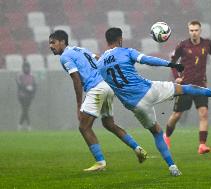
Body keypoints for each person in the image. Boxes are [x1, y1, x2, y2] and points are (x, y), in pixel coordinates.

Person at [96, 27, 211, 176]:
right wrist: (171, 64)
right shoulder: (126, 51)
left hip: (136, 105)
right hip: (149, 89)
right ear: (120, 39)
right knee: (185, 88)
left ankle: (173, 167)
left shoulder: (100, 65)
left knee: (157, 133)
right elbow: (147, 60)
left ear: (107, 41)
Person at [49, 30, 147, 172]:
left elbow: (76, 79)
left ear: (62, 41)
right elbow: (98, 58)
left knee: (84, 127)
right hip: (107, 85)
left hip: (96, 88)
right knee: (109, 124)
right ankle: (137, 148)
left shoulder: (65, 57)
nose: (50, 46)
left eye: (53, 42)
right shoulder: (80, 49)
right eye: (50, 43)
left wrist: (78, 105)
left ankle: (100, 163)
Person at [164, 20, 211, 154]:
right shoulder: (182, 45)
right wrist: (176, 75)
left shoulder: (207, 44)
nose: (194, 32)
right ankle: (166, 136)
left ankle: (202, 145)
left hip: (201, 85)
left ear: (200, 31)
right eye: (191, 30)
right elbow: (172, 62)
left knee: (203, 113)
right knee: (177, 115)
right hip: (185, 86)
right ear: (189, 31)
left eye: (196, 30)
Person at [16, 61, 36, 131]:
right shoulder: (20, 75)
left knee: (25, 110)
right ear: (23, 68)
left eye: (27, 67)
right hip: (22, 96)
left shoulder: (32, 76)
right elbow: (19, 85)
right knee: (25, 109)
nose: (26, 68)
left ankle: (20, 125)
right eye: (25, 67)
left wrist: (33, 93)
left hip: (29, 96)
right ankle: (28, 125)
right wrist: (27, 88)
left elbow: (35, 85)